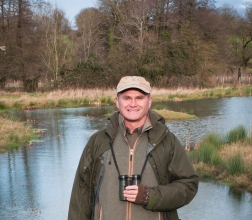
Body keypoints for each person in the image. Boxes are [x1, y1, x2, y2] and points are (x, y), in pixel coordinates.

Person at [68, 76, 199, 220]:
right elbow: (81, 194)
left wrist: (150, 196)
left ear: (149, 101)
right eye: (127, 98)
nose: (133, 104)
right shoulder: (98, 141)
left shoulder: (167, 141)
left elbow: (189, 185)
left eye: (139, 98)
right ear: (117, 102)